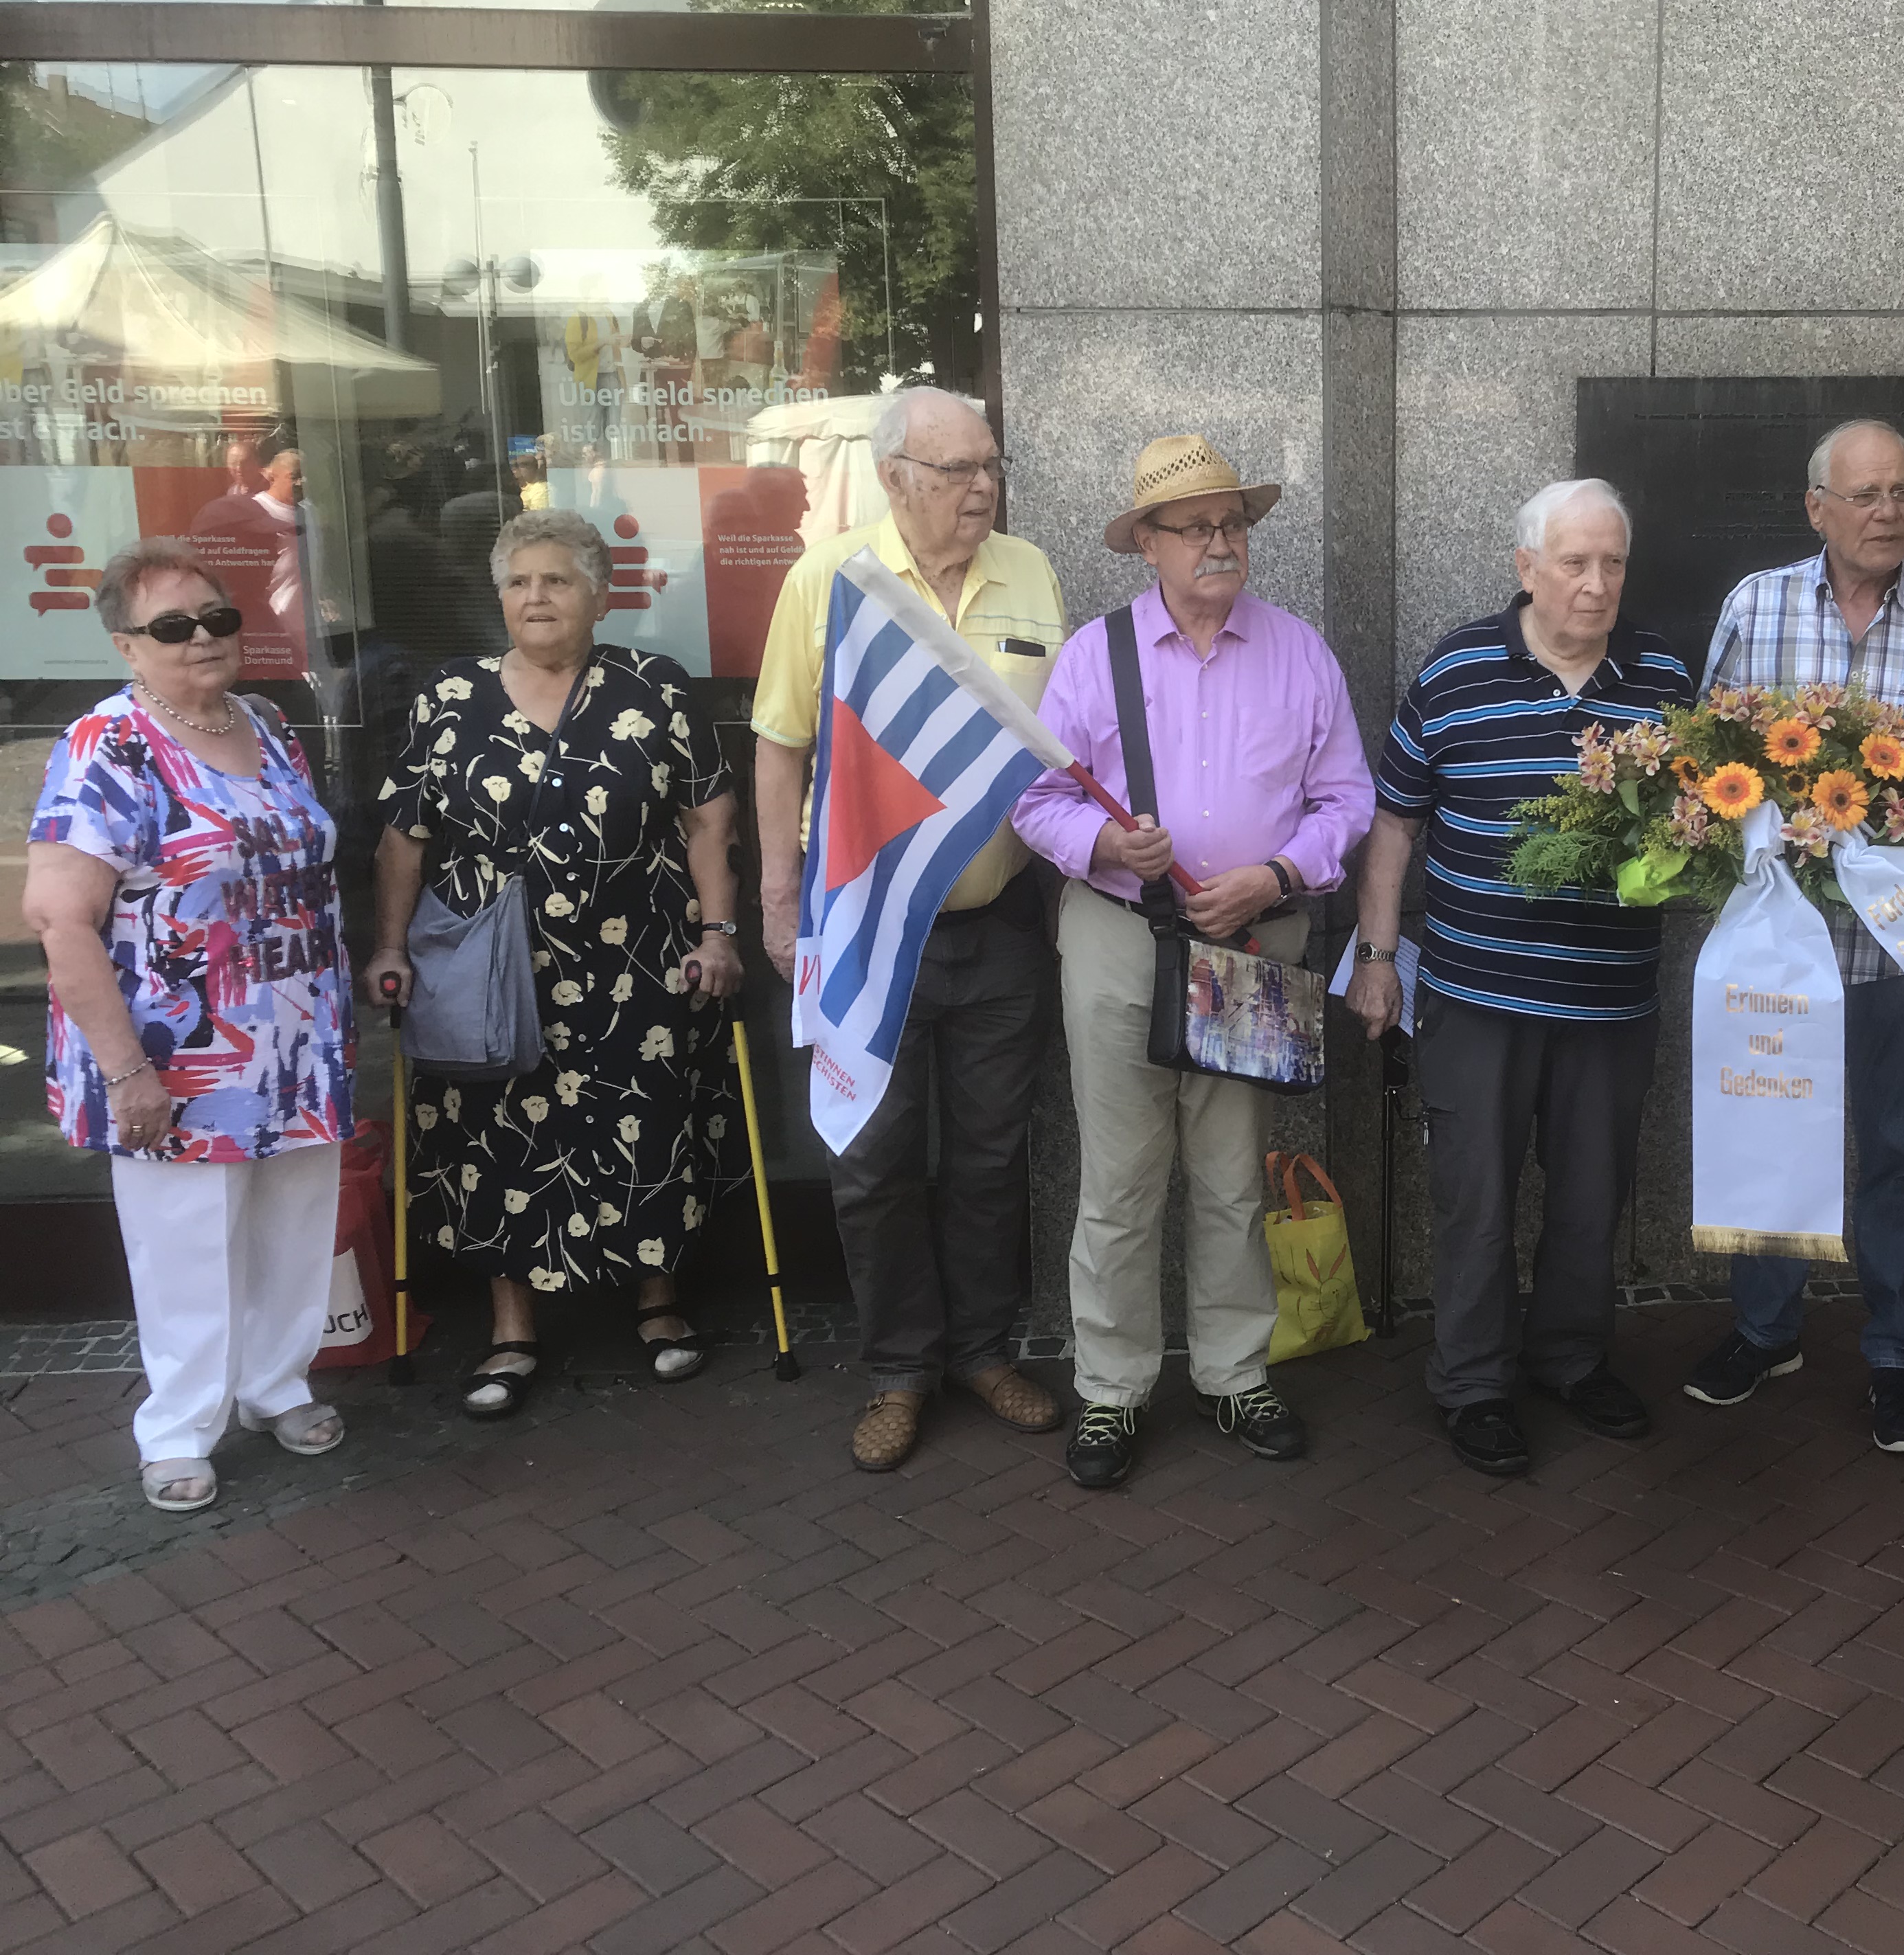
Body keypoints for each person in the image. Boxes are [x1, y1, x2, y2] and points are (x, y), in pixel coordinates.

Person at [1013, 433, 1374, 1490]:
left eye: (1234, 522)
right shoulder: (1097, 657)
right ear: (1149, 544)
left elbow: (1346, 799)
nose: (1221, 542)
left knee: (1229, 1175)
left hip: (1254, 944)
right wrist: (1104, 844)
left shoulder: (1299, 652)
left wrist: (1279, 873)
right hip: (1121, 939)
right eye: (1197, 526)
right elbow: (1036, 799)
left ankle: (1233, 1373)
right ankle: (1112, 1389)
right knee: (1120, 1181)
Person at [1685, 419, 1904, 1455]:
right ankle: (1765, 1331)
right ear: (1817, 507)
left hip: (1902, 958)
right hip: (1780, 952)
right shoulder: (1757, 604)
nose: (1885, 513)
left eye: (1903, 493)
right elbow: (1707, 758)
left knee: (1896, 1156)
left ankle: (1896, 1355)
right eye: (1864, 495)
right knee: (1768, 1136)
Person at [365, 510, 745, 1419]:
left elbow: (708, 818)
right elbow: (404, 837)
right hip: (488, 963)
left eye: (557, 580)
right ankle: (512, 1329)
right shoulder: (449, 696)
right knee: (495, 1131)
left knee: (645, 1121)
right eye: (518, 582)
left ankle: (658, 1303)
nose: (536, 597)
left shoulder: (653, 687)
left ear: (600, 597)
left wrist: (719, 934)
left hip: (635, 956)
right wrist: (390, 945)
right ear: (499, 598)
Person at [753, 387, 1068, 1471]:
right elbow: (780, 746)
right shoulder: (830, 576)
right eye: (956, 470)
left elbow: (1054, 742)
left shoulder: (1030, 573)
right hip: (866, 929)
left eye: (991, 466)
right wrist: (780, 906)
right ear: (893, 478)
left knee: (990, 1156)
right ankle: (898, 1371)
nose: (982, 489)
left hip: (1001, 926)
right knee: (874, 1161)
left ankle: (983, 1352)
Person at [1350, 480, 1690, 1475]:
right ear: (1527, 567)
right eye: (1575, 563)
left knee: (1592, 1196)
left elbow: (1701, 819)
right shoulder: (1455, 670)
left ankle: (1571, 1360)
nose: (1596, 584)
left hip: (1611, 1000)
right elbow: (1393, 826)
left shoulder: (1663, 676)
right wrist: (1377, 959)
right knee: (1476, 1198)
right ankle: (1474, 1384)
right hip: (1475, 999)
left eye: (1613, 563)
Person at [21, 539, 351, 1514]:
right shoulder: (108, 744)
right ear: (127, 645)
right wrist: (127, 1072)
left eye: (217, 617)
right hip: (179, 1054)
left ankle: (277, 1383)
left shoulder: (268, 724)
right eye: (172, 626)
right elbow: (59, 918)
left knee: (294, 1226)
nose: (202, 637)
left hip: (297, 1040)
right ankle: (178, 1426)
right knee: (185, 1249)